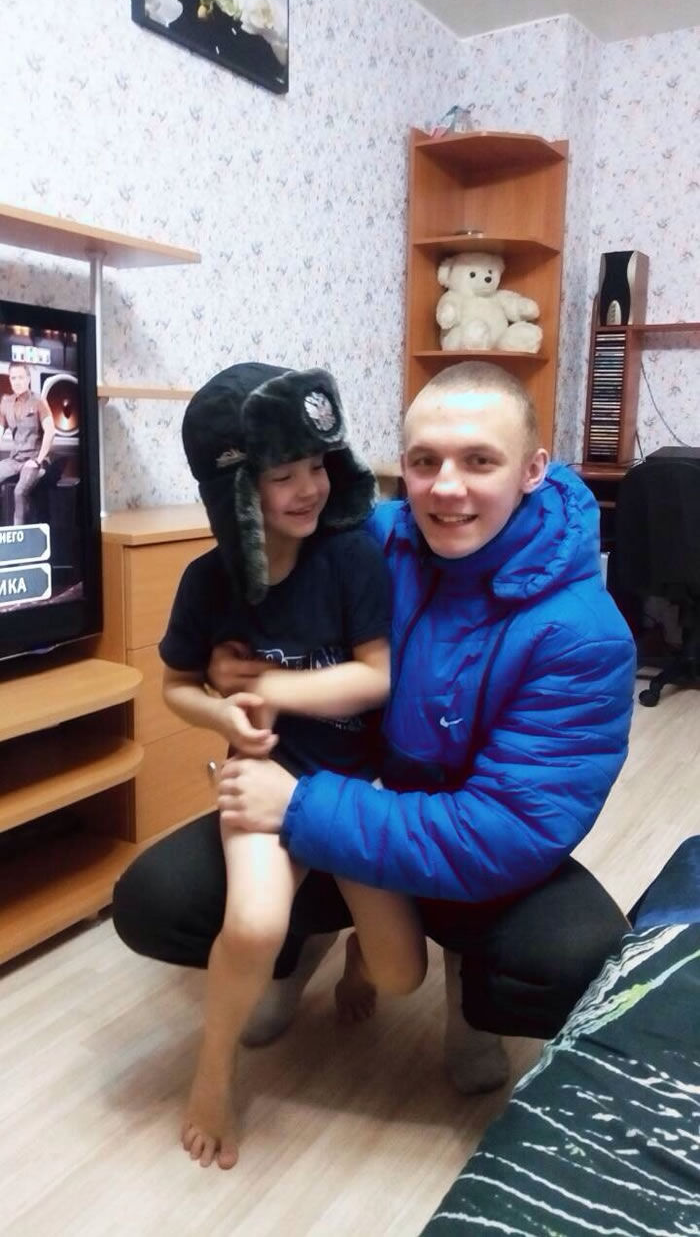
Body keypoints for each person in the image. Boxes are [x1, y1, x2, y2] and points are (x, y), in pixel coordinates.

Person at [114, 360, 636, 1106]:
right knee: (157, 898)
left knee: (574, 957)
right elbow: (270, 587)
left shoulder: (583, 636)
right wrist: (233, 666)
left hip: (454, 844)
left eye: (479, 461)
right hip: (351, 791)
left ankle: (469, 988)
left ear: (532, 470)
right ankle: (298, 949)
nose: (446, 488)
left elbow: (505, 830)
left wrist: (298, 804)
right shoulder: (372, 541)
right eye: (425, 462)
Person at [159, 362, 426, 1169]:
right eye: (283, 476)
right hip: (258, 777)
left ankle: (349, 955)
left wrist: (267, 685)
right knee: (252, 925)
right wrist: (222, 712)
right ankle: (213, 1071)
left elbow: (377, 676)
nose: (309, 488)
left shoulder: (349, 559)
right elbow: (176, 686)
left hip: (350, 787)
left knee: (401, 976)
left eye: (318, 465)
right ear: (237, 493)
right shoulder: (207, 582)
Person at [0, 363, 55, 525]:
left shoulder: (38, 401)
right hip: (15, 459)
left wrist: (38, 460)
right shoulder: (6, 402)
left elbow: (50, 431)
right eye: (13, 378)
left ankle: (20, 533)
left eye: (21, 377)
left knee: (19, 492)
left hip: (35, 459)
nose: (17, 382)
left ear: (28, 379)